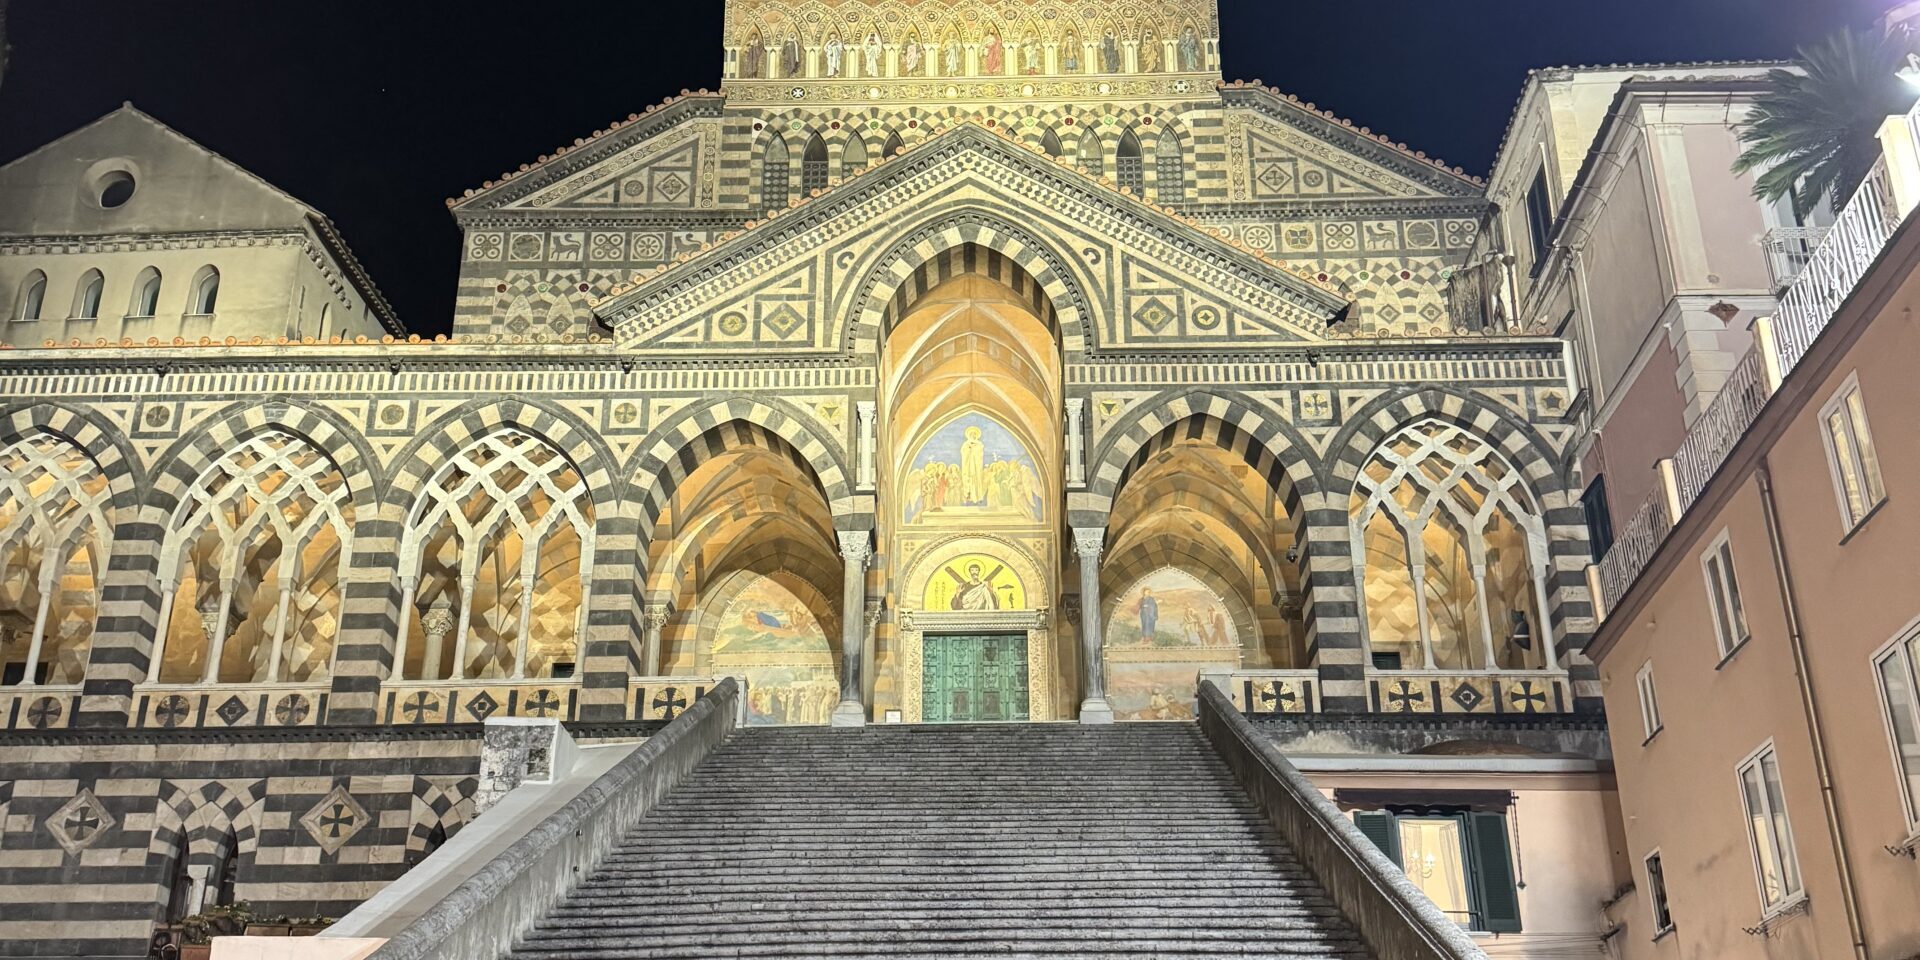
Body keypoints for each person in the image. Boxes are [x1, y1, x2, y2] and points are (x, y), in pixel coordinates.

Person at [959, 425, 986, 504]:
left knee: (976, 479)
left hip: (976, 465)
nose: (973, 435)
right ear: (969, 435)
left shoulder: (979, 444)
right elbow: (963, 452)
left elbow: (980, 454)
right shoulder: (966, 444)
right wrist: (968, 449)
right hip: (968, 464)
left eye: (974, 434)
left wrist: (974, 448)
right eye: (971, 434)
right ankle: (968, 496)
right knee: (968, 478)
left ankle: (977, 496)